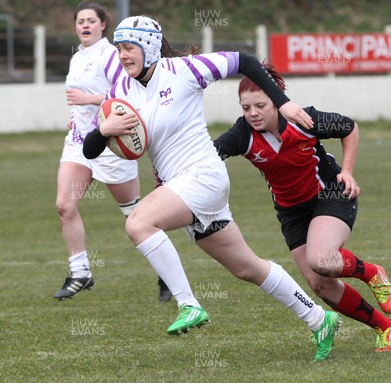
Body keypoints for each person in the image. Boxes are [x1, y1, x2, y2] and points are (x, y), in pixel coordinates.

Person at [83, 15, 341, 362]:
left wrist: (283, 103)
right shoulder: (120, 93)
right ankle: (318, 318)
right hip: (180, 188)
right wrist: (105, 128)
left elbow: (245, 61)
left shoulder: (185, 70)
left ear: (148, 46)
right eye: (118, 49)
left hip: (204, 176)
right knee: (248, 268)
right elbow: (89, 150)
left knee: (138, 223)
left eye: (128, 48)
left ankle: (188, 304)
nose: (122, 56)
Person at [213, 64, 391, 352]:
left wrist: (347, 171)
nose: (253, 113)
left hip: (330, 193)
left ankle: (372, 272)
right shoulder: (243, 134)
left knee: (322, 259)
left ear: (278, 101)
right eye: (246, 107)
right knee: (321, 285)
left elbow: (348, 127)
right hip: (291, 212)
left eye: (261, 105)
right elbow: (210, 155)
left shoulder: (303, 119)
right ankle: (385, 326)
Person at [54, 2, 171, 302]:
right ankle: (80, 272)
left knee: (135, 216)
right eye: (80, 20)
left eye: (91, 20)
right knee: (65, 205)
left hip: (110, 144)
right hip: (79, 141)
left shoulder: (109, 54)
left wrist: (86, 99)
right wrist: (76, 114)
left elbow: (124, 90)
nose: (85, 25)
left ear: (103, 24)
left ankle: (166, 273)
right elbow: (83, 101)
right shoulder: (78, 57)